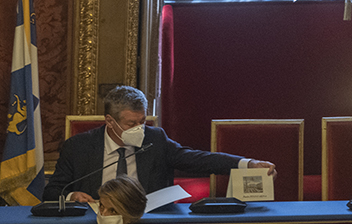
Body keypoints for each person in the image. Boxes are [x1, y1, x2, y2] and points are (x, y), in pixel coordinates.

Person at [45, 85, 276, 203]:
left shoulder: (155, 139)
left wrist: (248, 164)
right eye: (130, 124)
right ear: (109, 122)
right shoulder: (78, 147)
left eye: (142, 122)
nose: (138, 129)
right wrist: (72, 196)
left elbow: (197, 159)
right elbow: (52, 191)